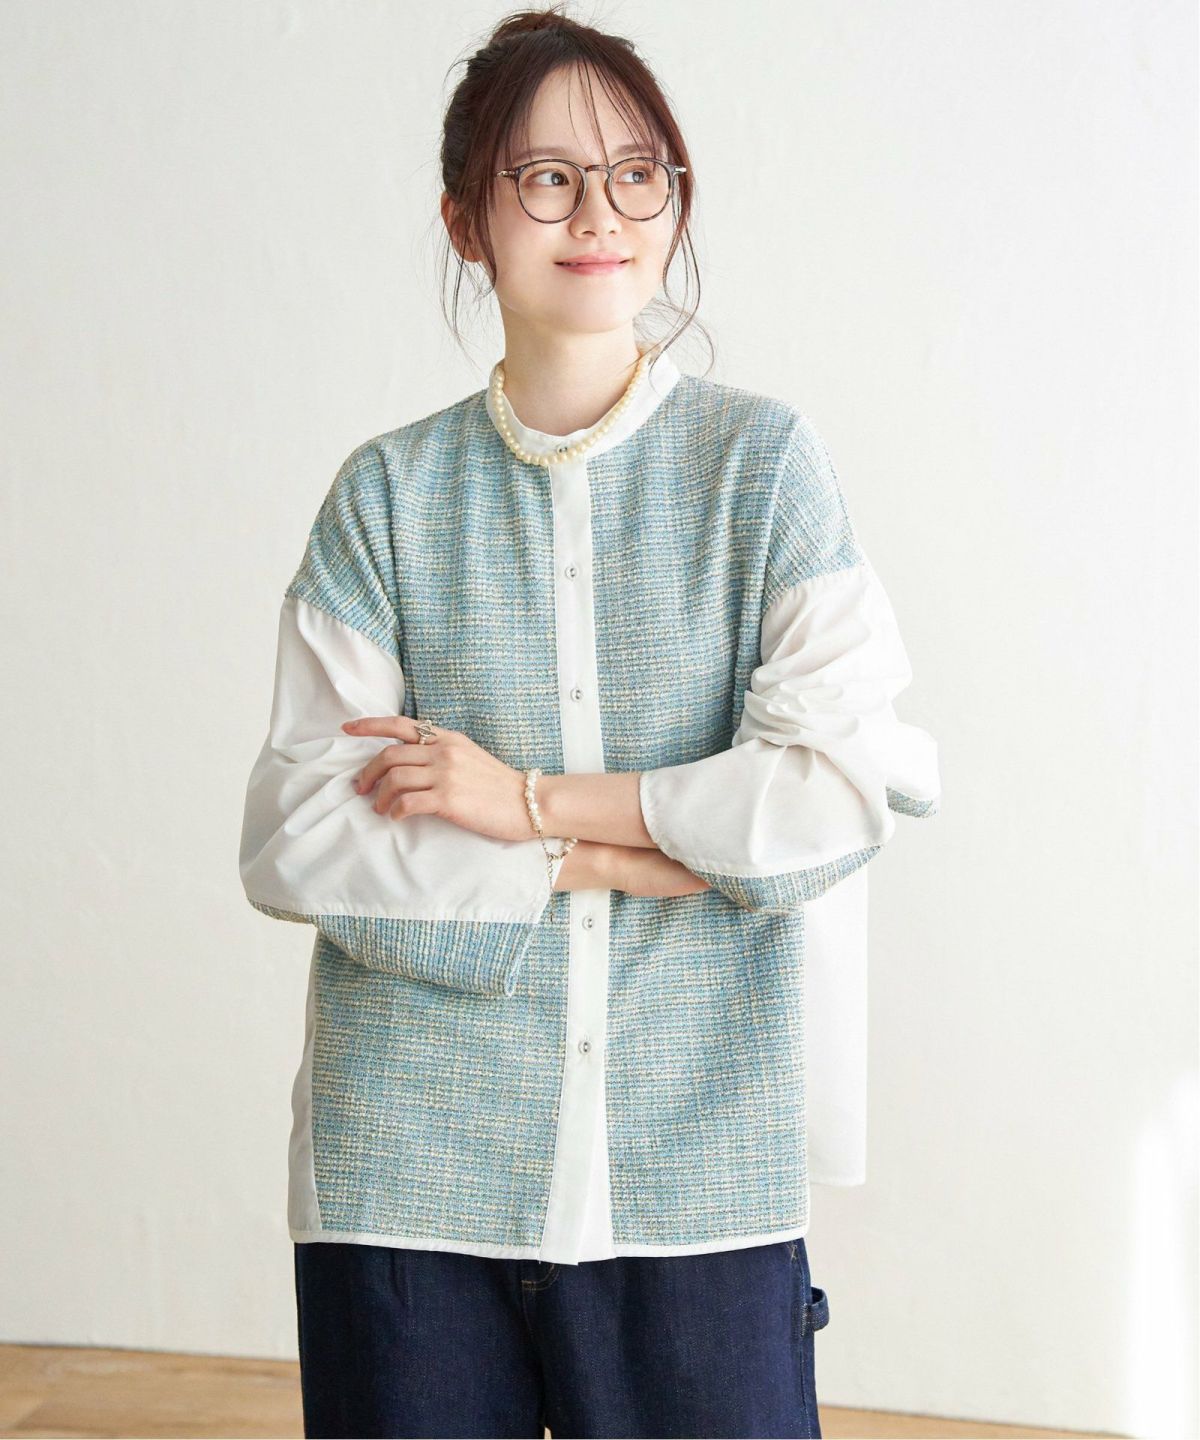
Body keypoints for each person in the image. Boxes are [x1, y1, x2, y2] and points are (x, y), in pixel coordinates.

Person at [238, 7, 941, 1438]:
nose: (599, 212)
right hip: (409, 1176)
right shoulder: (386, 498)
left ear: (675, 202)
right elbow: (298, 835)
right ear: (466, 218)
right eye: (546, 176)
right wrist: (622, 857)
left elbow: (835, 790)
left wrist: (525, 804)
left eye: (636, 174)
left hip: (698, 1168)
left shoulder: (762, 470)